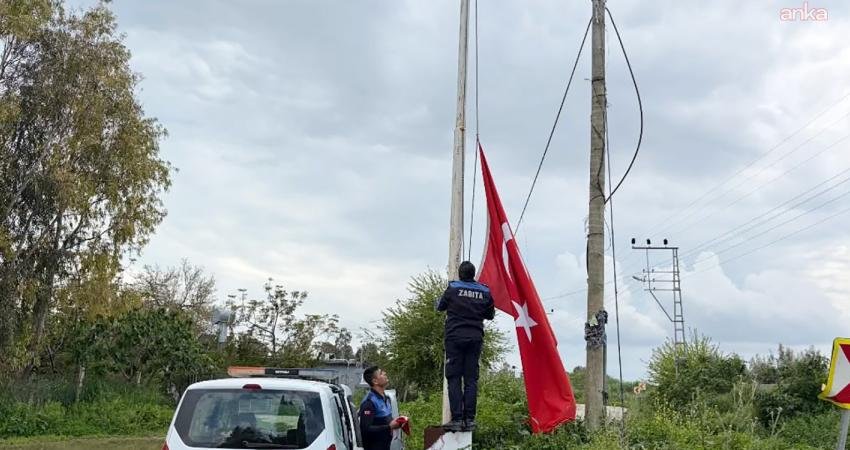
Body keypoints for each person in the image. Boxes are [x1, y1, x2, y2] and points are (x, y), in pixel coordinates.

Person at [436, 260, 495, 432]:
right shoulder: (484, 290)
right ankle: (470, 420)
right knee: (471, 379)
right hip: (475, 338)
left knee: (454, 378)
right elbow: (490, 314)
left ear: (460, 274)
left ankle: (456, 419)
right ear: (473, 274)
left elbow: (440, 306)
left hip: (454, 338)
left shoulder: (453, 288)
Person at [359, 366, 401, 450]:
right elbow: (365, 429)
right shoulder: (369, 402)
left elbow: (386, 419)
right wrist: (389, 427)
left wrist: (398, 421)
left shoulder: (385, 398)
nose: (385, 373)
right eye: (381, 373)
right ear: (375, 381)